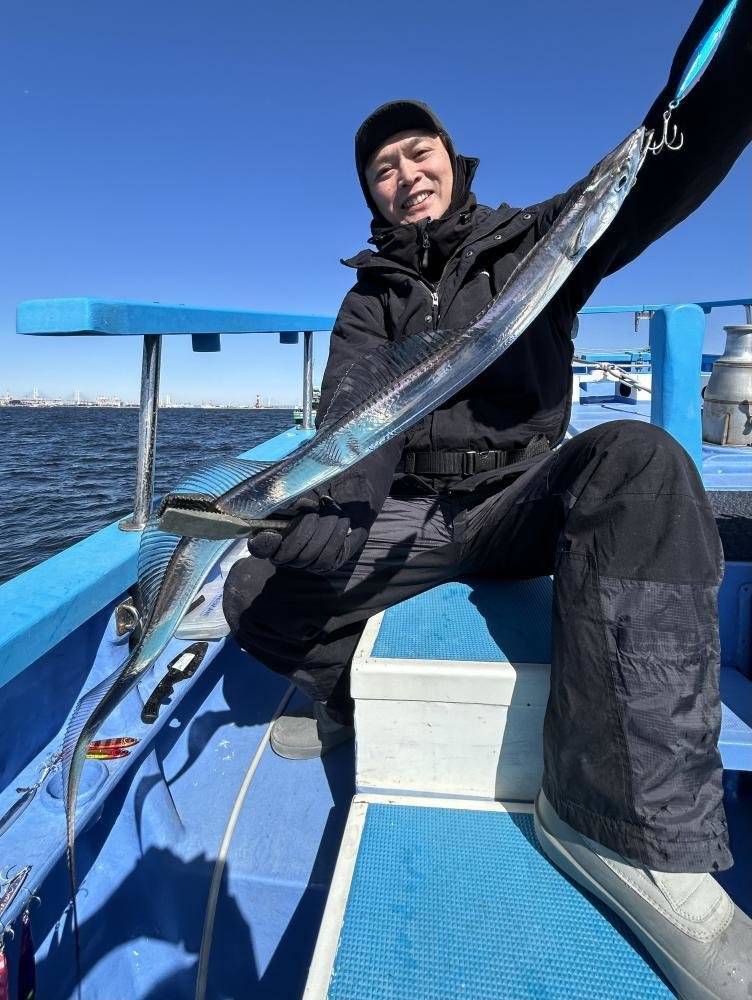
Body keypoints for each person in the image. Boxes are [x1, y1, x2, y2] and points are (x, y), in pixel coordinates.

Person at [223, 1, 752, 995]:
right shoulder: (369, 299)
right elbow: (354, 415)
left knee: (640, 461)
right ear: (372, 197)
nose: (404, 174)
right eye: (382, 169)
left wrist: (725, 79)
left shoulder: (533, 237)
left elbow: (652, 173)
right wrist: (334, 510)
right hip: (416, 514)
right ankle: (342, 691)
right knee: (253, 587)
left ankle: (628, 832)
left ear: (452, 161)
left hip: (520, 502)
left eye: (417, 153)